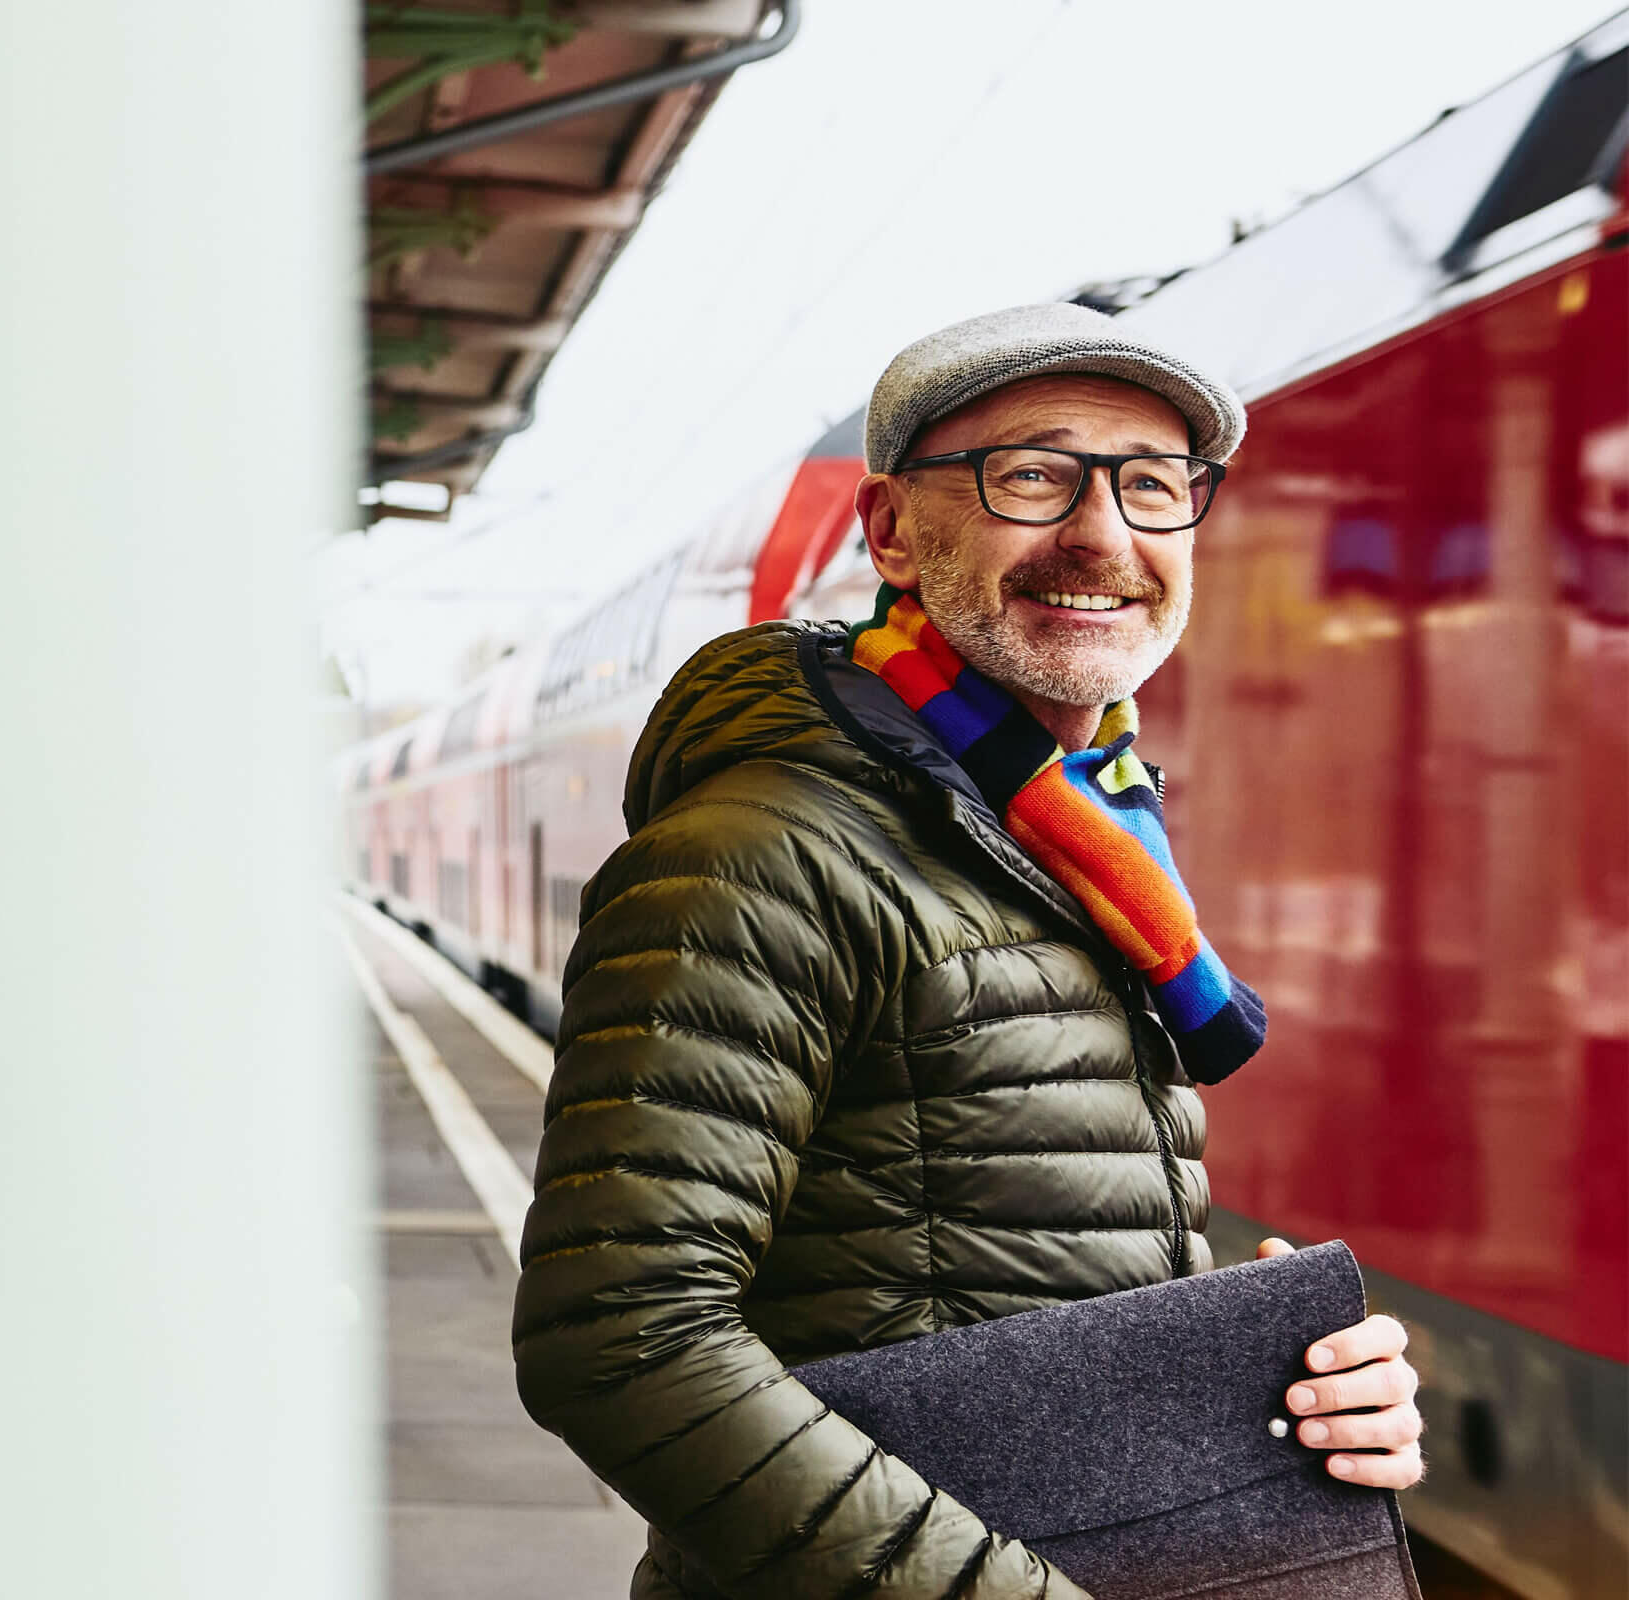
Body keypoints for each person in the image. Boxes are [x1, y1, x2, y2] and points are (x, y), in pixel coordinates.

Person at [512, 303, 1424, 1600]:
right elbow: (617, 1340)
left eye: (1154, 486)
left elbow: (1018, 1276)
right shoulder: (766, 853)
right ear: (890, 529)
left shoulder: (1077, 845)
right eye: (1034, 475)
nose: (1103, 536)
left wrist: (1299, 1398)